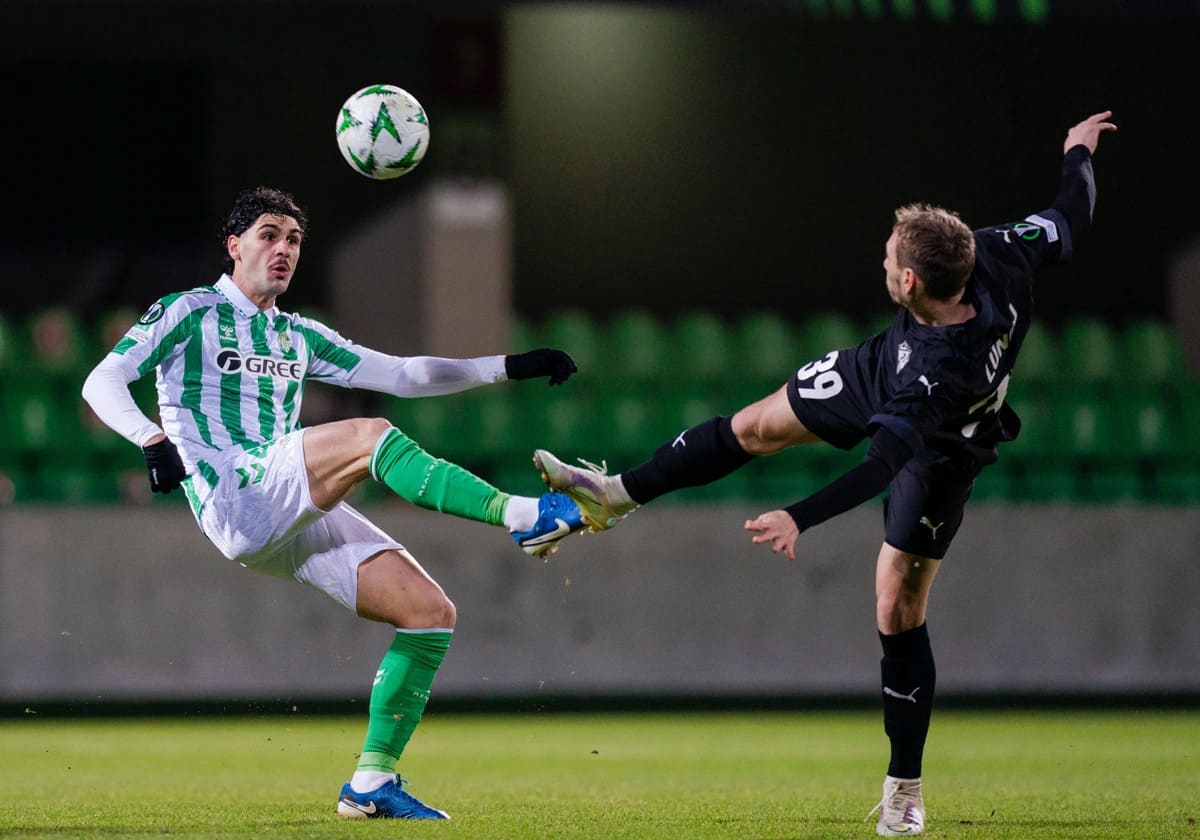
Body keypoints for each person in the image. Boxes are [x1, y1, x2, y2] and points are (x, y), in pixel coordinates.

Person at [532, 112, 1117, 836]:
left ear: (909, 279)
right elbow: (1070, 217)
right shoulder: (995, 253)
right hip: (883, 366)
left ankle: (905, 789)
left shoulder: (942, 373)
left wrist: (797, 516)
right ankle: (614, 496)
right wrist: (1077, 152)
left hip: (941, 445)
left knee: (897, 600)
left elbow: (879, 465)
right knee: (752, 426)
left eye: (887, 255)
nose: (880, 260)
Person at [81, 186, 587, 821]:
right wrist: (151, 438)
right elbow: (101, 379)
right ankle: (524, 516)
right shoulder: (190, 312)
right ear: (234, 245)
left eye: (293, 240)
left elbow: (404, 374)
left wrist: (508, 365)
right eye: (269, 234)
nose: (284, 249)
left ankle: (370, 784)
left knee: (430, 613)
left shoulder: (298, 335)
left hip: (287, 507)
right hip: (235, 490)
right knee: (369, 435)